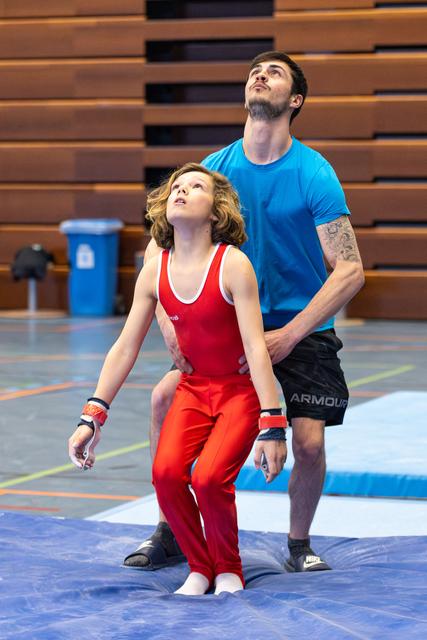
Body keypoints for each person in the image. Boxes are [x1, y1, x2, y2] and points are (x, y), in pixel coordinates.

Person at [123, 50, 365, 573]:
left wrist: (291, 335)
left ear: (294, 100)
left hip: (298, 330)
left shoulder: (314, 173)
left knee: (308, 440)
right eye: (255, 70)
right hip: (226, 325)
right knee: (164, 397)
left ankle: (299, 543)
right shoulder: (213, 170)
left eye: (274, 72)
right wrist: (169, 325)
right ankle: (170, 529)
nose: (260, 74)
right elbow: (157, 250)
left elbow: (349, 270)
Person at [68, 163, 287, 595]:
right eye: (176, 187)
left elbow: (257, 346)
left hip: (238, 394)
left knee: (208, 478)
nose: (182, 191)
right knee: (166, 474)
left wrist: (272, 423)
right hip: (193, 389)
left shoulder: (233, 265)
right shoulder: (154, 271)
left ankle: (228, 568)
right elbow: (125, 347)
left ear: (216, 210)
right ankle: (200, 567)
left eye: (196, 187)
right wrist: (91, 417)